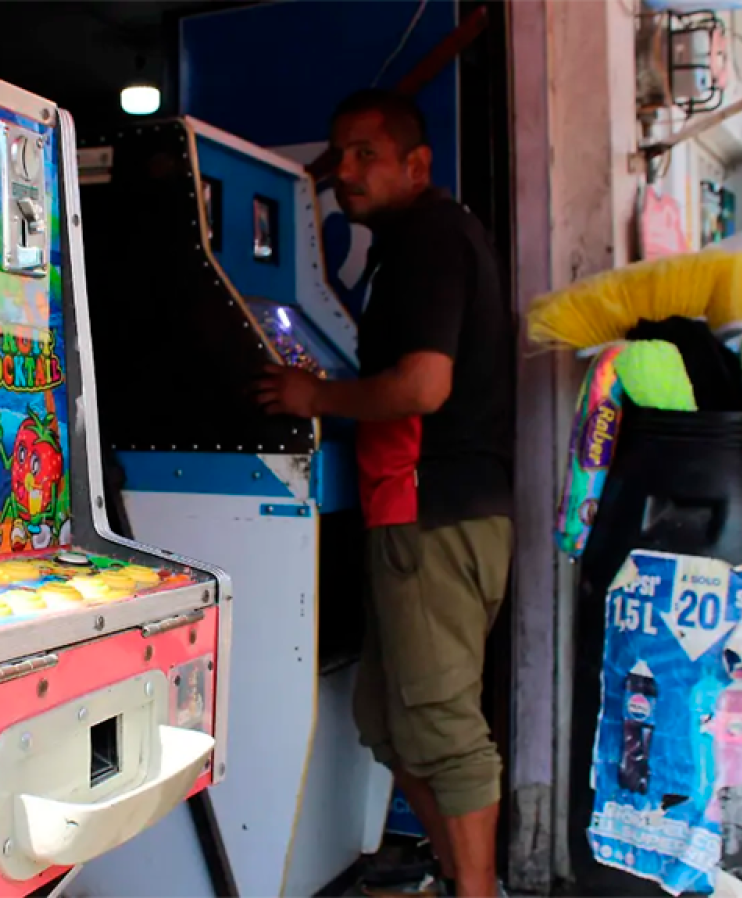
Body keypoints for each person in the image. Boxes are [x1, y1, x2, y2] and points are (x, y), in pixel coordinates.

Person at [256, 89, 514, 898]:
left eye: (368, 154)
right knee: (388, 722)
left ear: (417, 165)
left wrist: (314, 396)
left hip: (432, 513)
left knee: (440, 727)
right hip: (419, 513)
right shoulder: (416, 242)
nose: (347, 170)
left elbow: (423, 386)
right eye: (340, 154)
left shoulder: (431, 238)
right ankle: (458, 875)